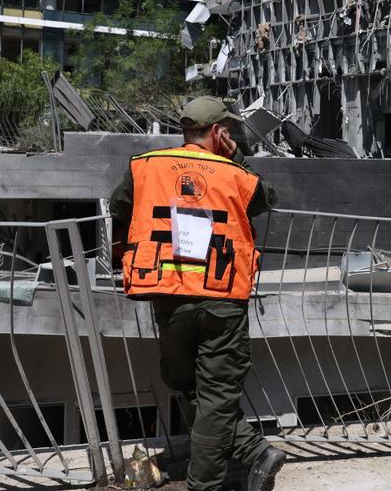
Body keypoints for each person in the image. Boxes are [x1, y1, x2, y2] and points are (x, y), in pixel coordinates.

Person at [109, 96, 285, 491]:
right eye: (230, 132)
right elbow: (266, 199)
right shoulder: (235, 173)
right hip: (222, 296)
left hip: (167, 293)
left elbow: (118, 206)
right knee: (215, 393)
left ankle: (237, 462)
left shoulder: (145, 167)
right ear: (220, 132)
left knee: (185, 381)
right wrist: (237, 155)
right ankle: (245, 458)